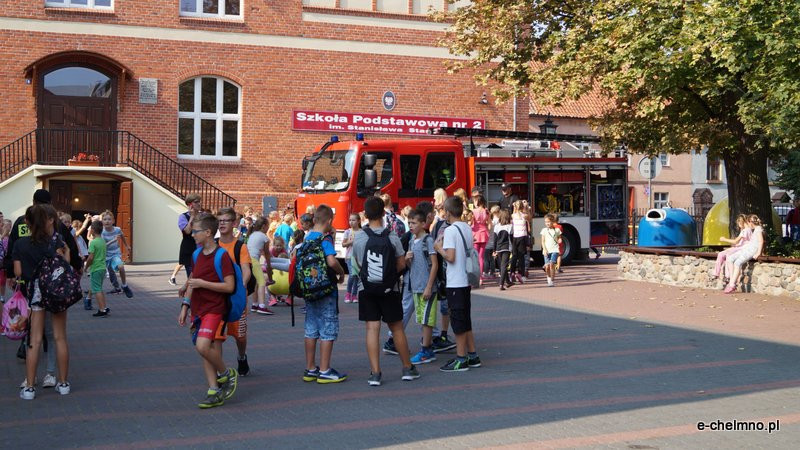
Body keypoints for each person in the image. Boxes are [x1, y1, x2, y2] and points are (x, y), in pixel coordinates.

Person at [352, 197, 419, 386]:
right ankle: (407, 368)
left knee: (372, 329)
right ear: (383, 213)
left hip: (367, 288)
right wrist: (388, 275)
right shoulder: (392, 236)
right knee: (396, 328)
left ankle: (375, 373)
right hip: (390, 289)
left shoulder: (360, 237)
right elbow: (400, 263)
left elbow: (358, 263)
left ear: (365, 214)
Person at [177, 213, 238, 409]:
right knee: (205, 351)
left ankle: (227, 374)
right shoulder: (196, 255)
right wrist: (185, 306)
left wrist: (204, 283)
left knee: (203, 346)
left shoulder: (222, 256)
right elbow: (193, 280)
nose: (192, 234)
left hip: (214, 309)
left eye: (195, 231)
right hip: (198, 309)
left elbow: (229, 287)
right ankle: (213, 391)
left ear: (208, 232)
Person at [14, 204, 72, 400]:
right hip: (56, 291)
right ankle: (63, 384)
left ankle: (29, 388)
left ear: (28, 222)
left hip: (36, 291)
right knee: (60, 337)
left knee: (34, 340)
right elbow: (66, 264)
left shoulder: (21, 244)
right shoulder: (57, 242)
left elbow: (18, 273)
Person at [433, 197, 481, 372]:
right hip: (465, 280)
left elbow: (451, 257)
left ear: (447, 212)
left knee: (458, 322)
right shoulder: (466, 227)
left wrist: (439, 249)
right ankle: (473, 355)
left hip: (455, 281)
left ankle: (461, 358)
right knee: (465, 319)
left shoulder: (451, 230)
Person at [300, 205, 347, 384]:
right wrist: (341, 272)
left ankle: (310, 368)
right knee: (328, 327)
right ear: (329, 221)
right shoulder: (324, 239)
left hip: (309, 290)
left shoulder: (307, 238)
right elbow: (331, 260)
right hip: (326, 289)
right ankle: (325, 369)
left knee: (311, 327)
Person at [4, 189, 81, 282]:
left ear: (33, 202)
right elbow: (70, 246)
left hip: (26, 275)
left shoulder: (21, 222)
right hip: (51, 279)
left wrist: (10, 273)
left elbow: (12, 247)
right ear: (50, 203)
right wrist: (77, 265)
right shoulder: (54, 222)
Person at [216, 207, 254, 375]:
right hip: (216, 297)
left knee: (239, 335)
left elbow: (246, 269)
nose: (222, 223)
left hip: (236, 298)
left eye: (225, 220)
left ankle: (241, 356)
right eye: (219, 220)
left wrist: (242, 285)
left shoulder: (240, 247)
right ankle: (219, 370)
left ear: (234, 223)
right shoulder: (213, 245)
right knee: (216, 336)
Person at [407, 209, 440, 365]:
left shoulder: (428, 240)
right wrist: (407, 259)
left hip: (427, 287)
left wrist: (429, 286)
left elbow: (435, 264)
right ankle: (427, 347)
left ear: (422, 223)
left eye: (413, 223)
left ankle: (426, 350)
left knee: (427, 320)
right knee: (422, 319)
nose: (411, 226)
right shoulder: (411, 241)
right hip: (415, 286)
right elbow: (410, 265)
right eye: (409, 223)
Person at [724, 215, 765, 294]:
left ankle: (732, 284)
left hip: (751, 251)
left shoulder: (758, 229)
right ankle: (732, 279)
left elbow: (761, 241)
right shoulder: (755, 229)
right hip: (747, 249)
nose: (748, 225)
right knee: (730, 258)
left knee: (737, 263)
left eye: (747, 223)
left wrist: (758, 253)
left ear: (750, 222)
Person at [101, 210, 133, 298]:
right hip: (106, 255)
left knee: (121, 266)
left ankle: (124, 285)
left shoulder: (117, 229)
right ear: (102, 221)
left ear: (113, 221)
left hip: (115, 253)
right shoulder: (102, 232)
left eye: (109, 219)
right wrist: (113, 241)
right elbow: (103, 246)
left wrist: (127, 246)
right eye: (105, 219)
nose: (107, 221)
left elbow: (122, 236)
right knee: (111, 273)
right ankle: (116, 287)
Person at [711, 214, 751, 281]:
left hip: (742, 249)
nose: (738, 226)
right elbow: (739, 242)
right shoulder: (744, 230)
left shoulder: (746, 230)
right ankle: (716, 273)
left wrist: (724, 239)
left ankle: (728, 276)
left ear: (741, 222)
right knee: (720, 254)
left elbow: (735, 241)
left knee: (728, 255)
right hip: (738, 247)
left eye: (739, 223)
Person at [247, 217, 274, 316]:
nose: (268, 228)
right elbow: (267, 254)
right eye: (268, 226)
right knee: (262, 282)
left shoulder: (253, 234)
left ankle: (255, 304)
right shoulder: (264, 237)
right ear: (264, 226)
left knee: (255, 283)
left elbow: (259, 250)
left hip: (247, 259)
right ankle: (262, 306)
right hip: (254, 260)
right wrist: (269, 264)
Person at [85, 220, 110, 317]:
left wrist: (86, 267)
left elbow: (91, 257)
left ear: (93, 230)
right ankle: (104, 307)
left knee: (96, 290)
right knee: (99, 288)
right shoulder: (102, 241)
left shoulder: (93, 242)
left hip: (95, 268)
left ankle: (102, 310)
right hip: (103, 268)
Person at [178, 194, 202, 279]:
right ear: (189, 204)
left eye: (199, 201)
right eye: (196, 202)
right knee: (192, 278)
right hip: (189, 251)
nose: (199, 203)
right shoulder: (183, 217)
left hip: (202, 250)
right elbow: (187, 231)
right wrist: (192, 217)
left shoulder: (204, 216)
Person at [342, 213, 361, 304]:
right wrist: (351, 241)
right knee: (352, 275)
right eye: (350, 220)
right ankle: (348, 293)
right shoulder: (347, 232)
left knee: (357, 276)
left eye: (353, 220)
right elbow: (343, 244)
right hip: (350, 256)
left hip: (358, 257)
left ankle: (354, 295)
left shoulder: (362, 232)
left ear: (358, 221)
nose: (351, 222)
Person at [470, 194, 490, 281]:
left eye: (474, 200)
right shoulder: (486, 211)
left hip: (475, 234)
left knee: (475, 256)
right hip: (484, 234)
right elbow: (489, 224)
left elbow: (470, 223)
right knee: (481, 256)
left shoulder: (473, 211)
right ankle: (480, 277)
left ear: (477, 201)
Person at [493, 209, 514, 290]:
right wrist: (513, 248)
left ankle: (508, 281)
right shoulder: (510, 226)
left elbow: (495, 239)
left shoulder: (497, 226)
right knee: (504, 265)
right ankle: (501, 284)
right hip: (507, 247)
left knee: (502, 265)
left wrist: (494, 250)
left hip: (498, 248)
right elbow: (512, 239)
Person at [541, 213, 562, 287]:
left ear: (552, 221)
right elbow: (543, 241)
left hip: (554, 249)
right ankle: (548, 277)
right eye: (546, 222)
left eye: (548, 222)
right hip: (547, 250)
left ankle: (552, 280)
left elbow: (559, 237)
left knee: (552, 264)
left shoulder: (557, 230)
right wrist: (544, 249)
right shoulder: (544, 230)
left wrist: (559, 240)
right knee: (547, 267)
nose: (547, 223)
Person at [510, 200, 529, 283]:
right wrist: (527, 206)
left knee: (514, 256)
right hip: (522, 237)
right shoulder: (524, 216)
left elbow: (514, 214)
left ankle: (512, 273)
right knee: (521, 256)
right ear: (522, 207)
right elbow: (530, 217)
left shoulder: (513, 215)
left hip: (514, 237)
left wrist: (514, 207)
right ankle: (521, 274)